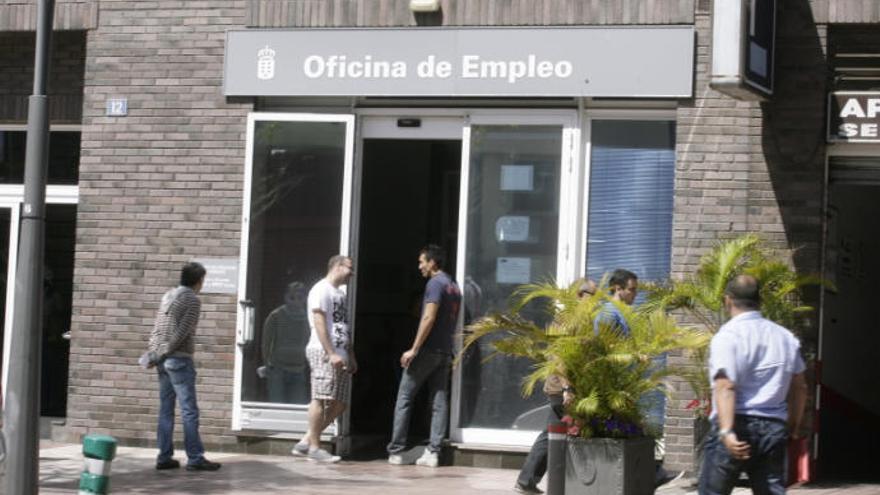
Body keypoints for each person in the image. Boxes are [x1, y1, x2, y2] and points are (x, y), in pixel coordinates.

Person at [699, 275, 808, 495]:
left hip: (736, 426)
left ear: (728, 300)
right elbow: (800, 386)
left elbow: (725, 385)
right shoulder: (785, 337)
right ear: (760, 301)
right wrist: (794, 426)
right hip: (773, 428)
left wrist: (726, 430)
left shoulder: (728, 336)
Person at [514, 279, 597, 494]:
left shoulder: (583, 321)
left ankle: (527, 480)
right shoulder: (567, 321)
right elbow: (558, 357)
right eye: (592, 295)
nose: (595, 300)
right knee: (558, 433)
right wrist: (567, 388)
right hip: (562, 389)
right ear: (579, 295)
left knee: (550, 434)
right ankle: (532, 480)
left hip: (568, 388)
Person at [387, 245, 461, 467]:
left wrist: (414, 349)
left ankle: (396, 450)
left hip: (428, 350)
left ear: (432, 262)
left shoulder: (435, 284)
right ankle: (433, 452)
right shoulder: (453, 286)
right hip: (444, 350)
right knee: (439, 401)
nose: (419, 266)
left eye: (422, 262)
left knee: (404, 398)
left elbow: (428, 317)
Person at [147, 262, 221, 471]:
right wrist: (167, 350)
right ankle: (195, 458)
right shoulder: (192, 299)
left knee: (166, 410)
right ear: (199, 281)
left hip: (162, 359)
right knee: (189, 411)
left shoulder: (168, 295)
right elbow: (182, 332)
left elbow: (158, 327)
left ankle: (164, 457)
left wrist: (156, 352)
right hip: (178, 359)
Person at [290, 255, 356, 463]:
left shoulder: (340, 294)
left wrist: (350, 354)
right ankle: (315, 448)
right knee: (320, 397)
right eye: (349, 268)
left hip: (341, 353)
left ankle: (306, 441)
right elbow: (319, 323)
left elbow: (343, 325)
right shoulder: (321, 289)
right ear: (337, 266)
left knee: (340, 403)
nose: (352, 274)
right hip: (323, 351)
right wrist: (331, 352)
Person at [261, 281, 310, 403]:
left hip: (299, 368)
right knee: (276, 405)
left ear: (305, 299)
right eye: (292, 297)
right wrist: (268, 364)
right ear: (285, 297)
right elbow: (266, 342)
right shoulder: (276, 316)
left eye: (299, 298)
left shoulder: (309, 318)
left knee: (297, 406)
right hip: (278, 370)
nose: (295, 301)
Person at [593, 268, 638, 335]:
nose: (635, 293)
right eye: (631, 289)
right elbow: (604, 341)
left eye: (635, 289)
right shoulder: (608, 312)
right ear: (618, 288)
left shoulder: (625, 311)